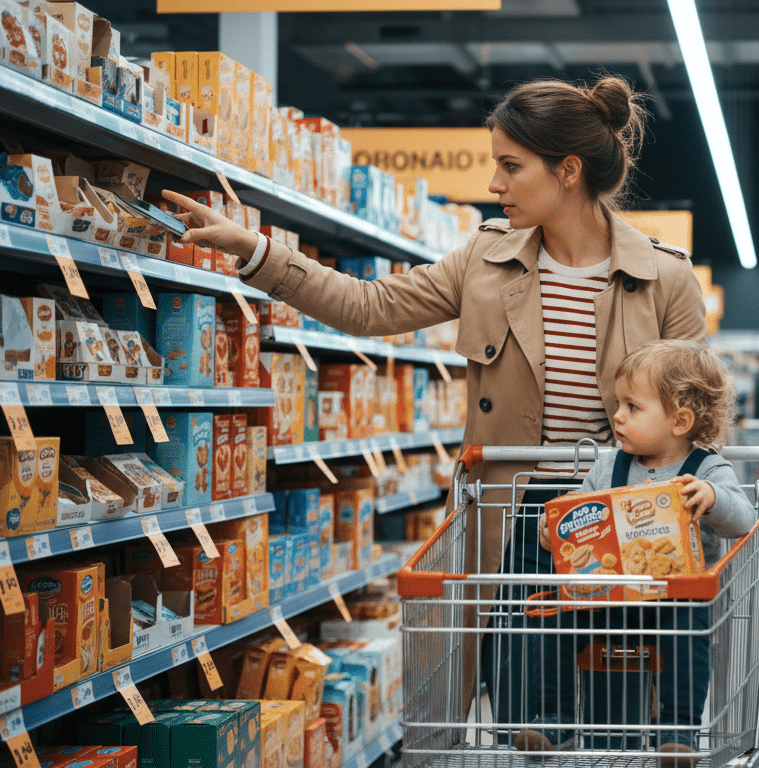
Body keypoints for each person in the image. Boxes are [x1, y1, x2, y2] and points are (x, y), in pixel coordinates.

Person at [162, 76, 707, 724]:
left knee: (618, 720)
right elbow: (371, 306)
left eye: (511, 165)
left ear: (567, 170)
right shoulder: (484, 259)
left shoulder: (665, 277)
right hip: (519, 521)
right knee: (525, 720)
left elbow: (697, 413)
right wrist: (255, 250)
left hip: (626, 518)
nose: (496, 184)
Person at [524, 340, 755, 764]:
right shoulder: (608, 466)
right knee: (556, 613)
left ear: (680, 420)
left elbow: (743, 519)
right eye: (618, 404)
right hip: (610, 597)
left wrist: (712, 497)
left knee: (688, 628)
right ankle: (554, 721)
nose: (617, 416)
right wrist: (552, 529)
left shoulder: (706, 468)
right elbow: (575, 519)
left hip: (675, 600)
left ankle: (678, 731)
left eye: (633, 407)